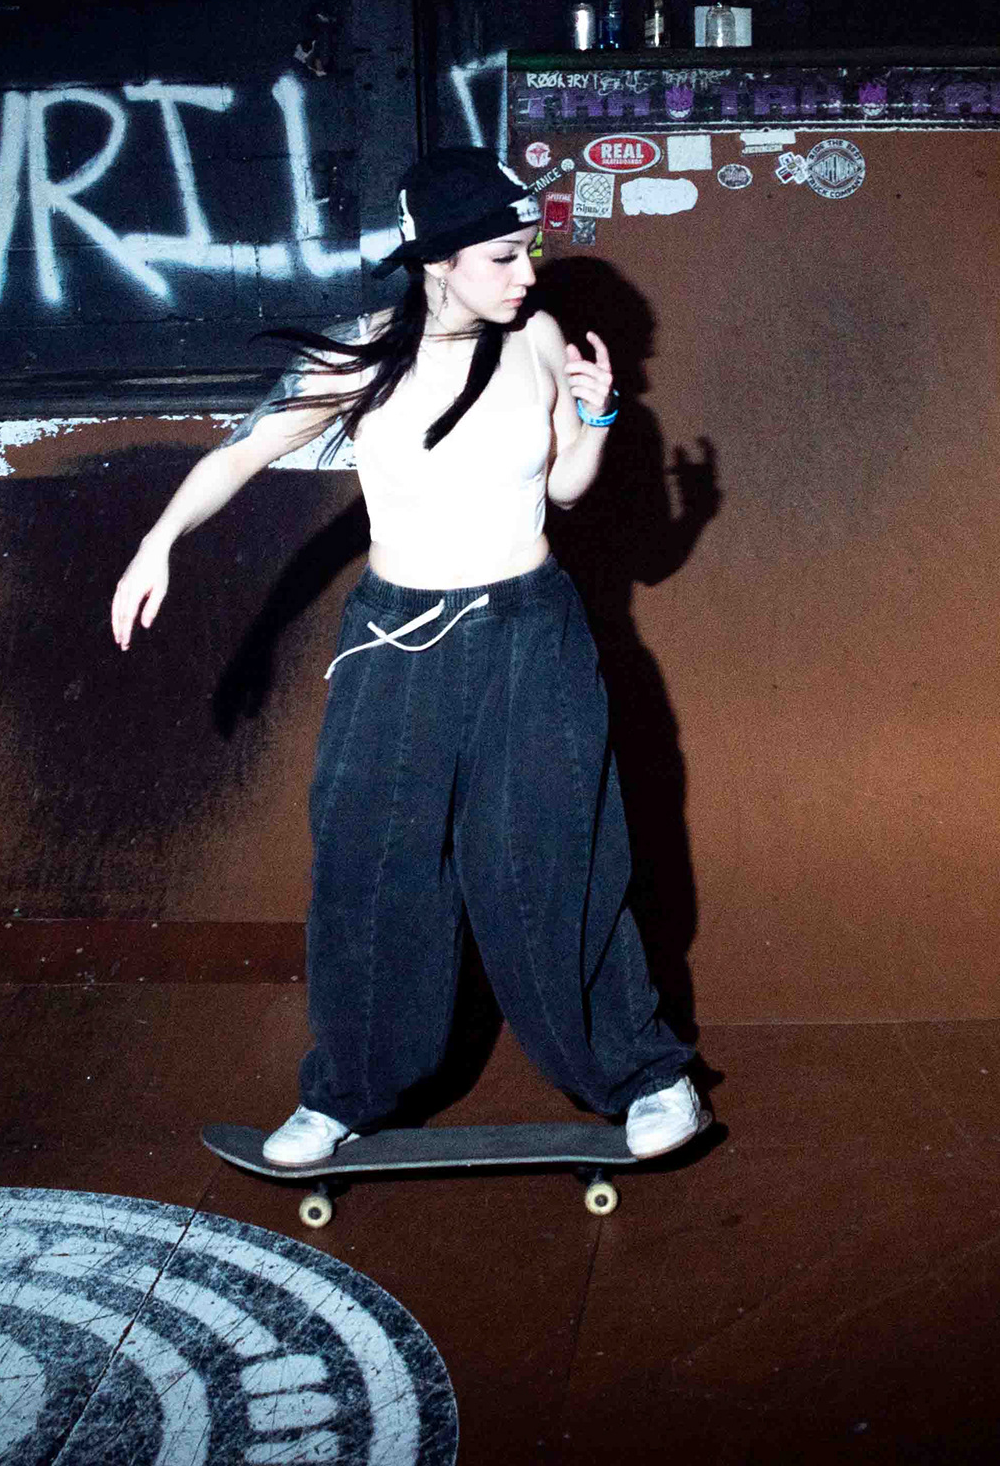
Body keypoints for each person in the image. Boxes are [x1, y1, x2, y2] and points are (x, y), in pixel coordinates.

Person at [109, 147, 706, 1171]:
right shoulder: (359, 358)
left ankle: (648, 1077)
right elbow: (239, 451)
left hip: (531, 633)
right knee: (370, 864)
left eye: (529, 251)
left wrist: (600, 414)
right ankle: (347, 1091)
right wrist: (158, 540)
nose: (526, 273)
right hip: (398, 642)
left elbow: (565, 487)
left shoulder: (539, 336)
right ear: (437, 261)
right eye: (503, 256)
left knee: (554, 857)